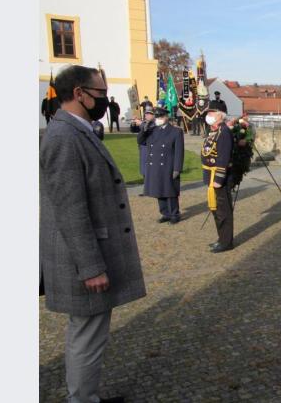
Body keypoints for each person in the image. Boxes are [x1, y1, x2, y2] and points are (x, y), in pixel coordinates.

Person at [40, 65, 146, 403]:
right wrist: (90, 267)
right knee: (86, 337)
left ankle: (86, 397)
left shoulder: (76, 130)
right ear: (79, 94)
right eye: (100, 94)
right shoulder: (63, 137)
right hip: (83, 262)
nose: (105, 100)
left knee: (87, 333)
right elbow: (70, 209)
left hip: (87, 257)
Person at [138, 107, 184, 224]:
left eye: (161, 116)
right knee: (159, 189)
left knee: (170, 191)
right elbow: (140, 141)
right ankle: (165, 213)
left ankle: (174, 214)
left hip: (168, 165)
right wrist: (144, 129)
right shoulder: (152, 130)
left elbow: (179, 151)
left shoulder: (176, 131)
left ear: (166, 117)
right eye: (157, 117)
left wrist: (177, 168)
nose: (159, 119)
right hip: (155, 166)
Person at [202, 100, 234, 253]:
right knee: (216, 210)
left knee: (223, 211)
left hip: (218, 178)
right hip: (211, 177)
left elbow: (223, 157)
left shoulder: (224, 132)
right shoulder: (214, 131)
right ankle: (221, 238)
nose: (208, 116)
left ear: (220, 115)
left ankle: (226, 242)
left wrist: (218, 179)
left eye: (211, 113)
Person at [133, 106, 156, 181]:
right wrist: (133, 123)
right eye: (146, 114)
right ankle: (147, 190)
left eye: (149, 114)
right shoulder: (145, 122)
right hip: (143, 149)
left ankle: (153, 190)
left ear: (153, 115)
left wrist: (141, 124)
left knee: (151, 171)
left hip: (150, 149)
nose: (147, 115)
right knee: (144, 170)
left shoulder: (154, 123)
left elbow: (148, 129)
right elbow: (134, 130)